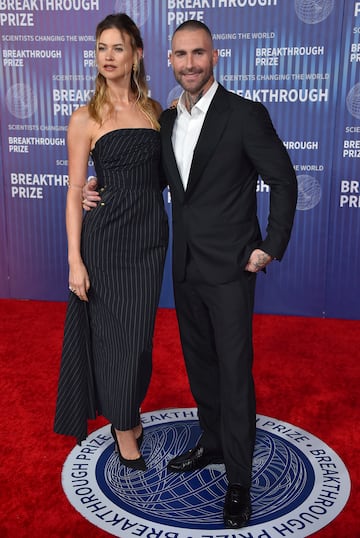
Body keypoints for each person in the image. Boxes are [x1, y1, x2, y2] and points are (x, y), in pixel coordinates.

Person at [83, 20, 297, 528]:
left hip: (230, 268)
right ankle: (214, 444)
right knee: (201, 367)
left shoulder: (245, 115)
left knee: (233, 375)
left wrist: (270, 246)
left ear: (215, 56)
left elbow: (284, 181)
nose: (189, 63)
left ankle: (239, 481)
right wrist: (97, 182)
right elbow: (153, 178)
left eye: (198, 53)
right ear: (170, 61)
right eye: (180, 55)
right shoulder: (166, 120)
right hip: (182, 267)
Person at [54, 13, 169, 472]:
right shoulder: (85, 117)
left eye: (117, 47)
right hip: (106, 242)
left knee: (139, 341)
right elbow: (73, 191)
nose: (108, 56)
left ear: (137, 53)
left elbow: (166, 177)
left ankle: (127, 407)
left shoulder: (157, 112)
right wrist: (74, 260)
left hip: (150, 240)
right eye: (101, 48)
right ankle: (123, 427)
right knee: (113, 339)